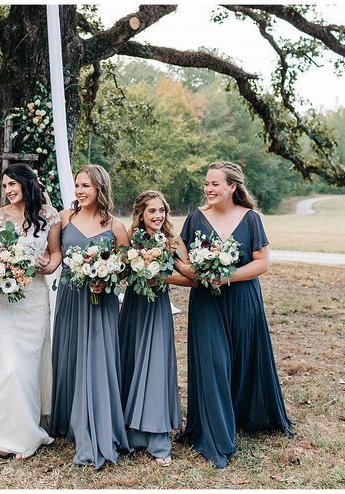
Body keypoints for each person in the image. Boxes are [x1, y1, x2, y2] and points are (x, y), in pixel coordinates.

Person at [175, 161, 292, 468]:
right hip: (207, 303)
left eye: (215, 184)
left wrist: (227, 276)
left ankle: (243, 416)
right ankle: (216, 438)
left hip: (243, 298)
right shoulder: (195, 218)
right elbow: (180, 259)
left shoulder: (251, 219)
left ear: (232, 187)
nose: (208, 189)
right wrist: (195, 271)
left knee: (242, 360)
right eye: (206, 183)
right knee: (213, 363)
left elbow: (262, 263)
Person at [0, 163, 62, 460]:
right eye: (4, 186)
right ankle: (2, 432)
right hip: (3, 300)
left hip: (34, 298)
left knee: (28, 363)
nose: (8, 190)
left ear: (27, 184)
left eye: (13, 184)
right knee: (9, 363)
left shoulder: (48, 216)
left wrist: (47, 266)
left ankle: (25, 426)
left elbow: (55, 253)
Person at [50, 164, 130, 469]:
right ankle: (68, 419)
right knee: (70, 356)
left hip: (101, 302)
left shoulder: (116, 227)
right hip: (70, 297)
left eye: (86, 186)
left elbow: (124, 268)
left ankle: (96, 423)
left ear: (100, 189)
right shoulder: (64, 217)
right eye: (78, 186)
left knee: (97, 360)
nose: (80, 191)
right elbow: (55, 256)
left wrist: (106, 278)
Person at [118, 190, 194, 467]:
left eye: (161, 210)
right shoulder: (129, 239)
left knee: (156, 366)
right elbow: (121, 271)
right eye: (152, 211)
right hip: (134, 307)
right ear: (140, 214)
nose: (158, 216)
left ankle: (157, 435)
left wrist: (163, 276)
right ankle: (131, 432)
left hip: (158, 308)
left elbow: (190, 277)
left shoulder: (172, 241)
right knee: (132, 361)